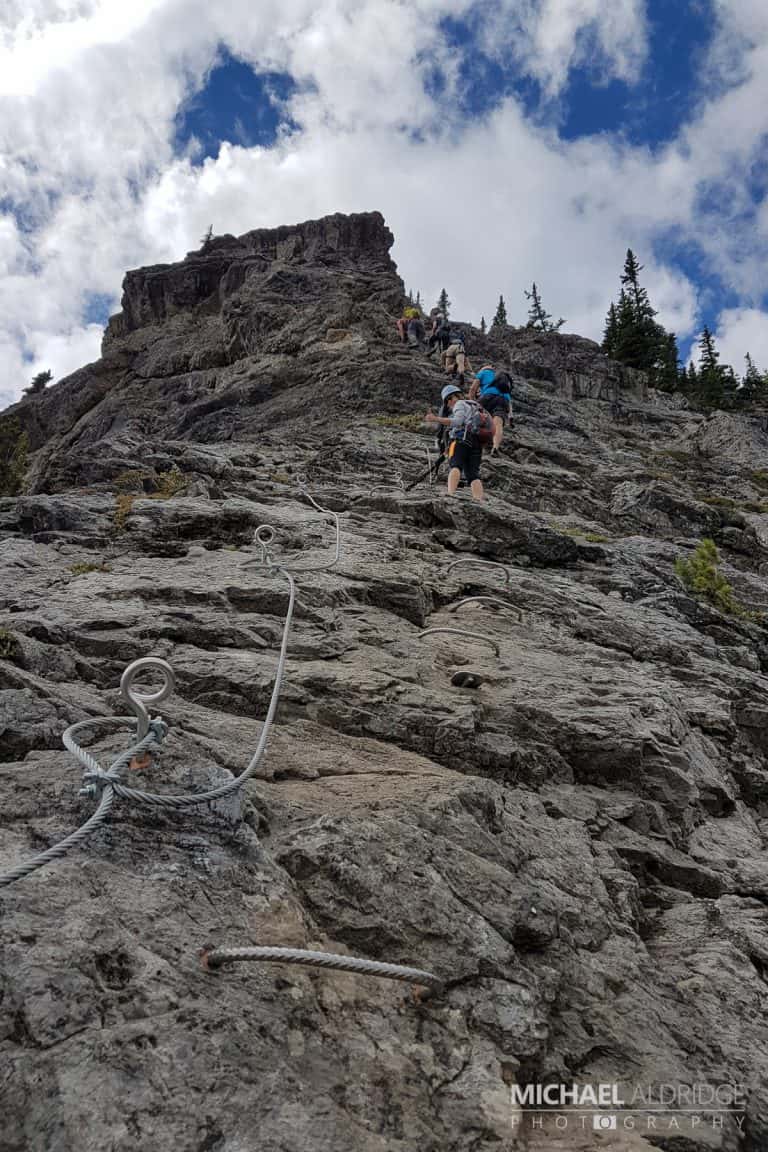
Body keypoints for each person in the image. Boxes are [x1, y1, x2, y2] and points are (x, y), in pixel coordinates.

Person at [425, 383, 485, 501]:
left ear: (450, 398)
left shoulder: (459, 403)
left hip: (461, 439)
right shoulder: (475, 405)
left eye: (447, 402)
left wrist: (436, 419)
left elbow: (457, 421)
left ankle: (450, 494)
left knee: (455, 465)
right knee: (473, 475)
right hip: (477, 443)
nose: (448, 405)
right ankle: (479, 500)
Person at [469, 363, 512, 457]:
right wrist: (510, 416)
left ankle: (475, 443)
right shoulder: (502, 377)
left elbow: (472, 389)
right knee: (498, 424)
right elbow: (509, 400)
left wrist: (472, 402)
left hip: (488, 397)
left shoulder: (483, 372)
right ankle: (495, 447)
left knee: (478, 418)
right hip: (503, 400)